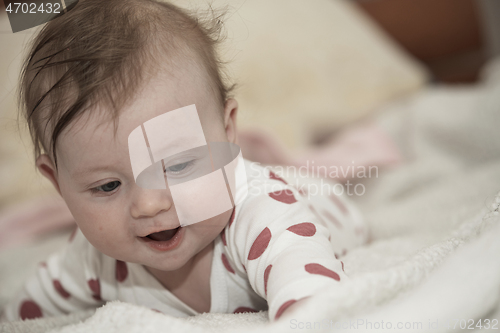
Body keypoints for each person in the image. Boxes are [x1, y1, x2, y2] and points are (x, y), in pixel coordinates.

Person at [0, 0, 368, 322]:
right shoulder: (91, 261)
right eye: (108, 185)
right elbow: (23, 311)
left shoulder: (264, 215)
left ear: (226, 130)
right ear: (58, 183)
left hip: (317, 201)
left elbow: (313, 300)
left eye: (177, 166)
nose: (149, 204)